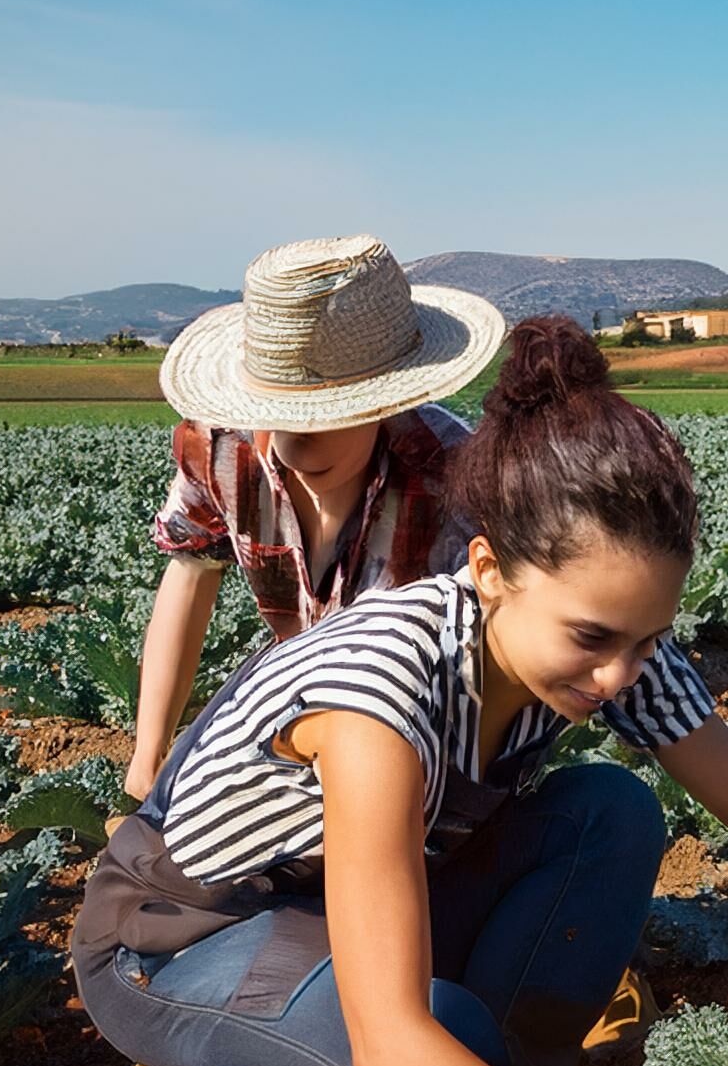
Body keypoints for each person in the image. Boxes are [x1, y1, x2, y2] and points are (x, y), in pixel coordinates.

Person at [71, 317, 728, 1066]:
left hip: (333, 906)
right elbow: (395, 1048)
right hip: (180, 934)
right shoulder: (379, 701)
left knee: (610, 811)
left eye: (648, 636)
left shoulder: (602, 635)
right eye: (592, 637)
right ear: (491, 570)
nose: (618, 674)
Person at [124, 233, 505, 803]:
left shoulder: (451, 472)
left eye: (331, 417)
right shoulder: (220, 449)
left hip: (416, 730)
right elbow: (190, 573)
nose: (296, 446)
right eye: (274, 414)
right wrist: (148, 751)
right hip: (293, 697)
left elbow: (490, 659)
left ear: (387, 401)